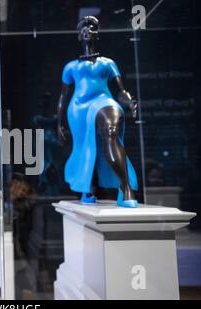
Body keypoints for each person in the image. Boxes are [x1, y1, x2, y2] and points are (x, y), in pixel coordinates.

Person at [57, 16, 139, 208]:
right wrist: (59, 123)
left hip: (105, 102)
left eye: (92, 28)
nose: (87, 31)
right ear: (79, 36)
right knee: (86, 146)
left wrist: (129, 100)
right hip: (79, 110)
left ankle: (126, 188)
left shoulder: (107, 63)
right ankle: (89, 187)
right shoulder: (71, 67)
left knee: (111, 133)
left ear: (97, 34)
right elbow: (63, 96)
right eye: (83, 29)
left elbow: (121, 90)